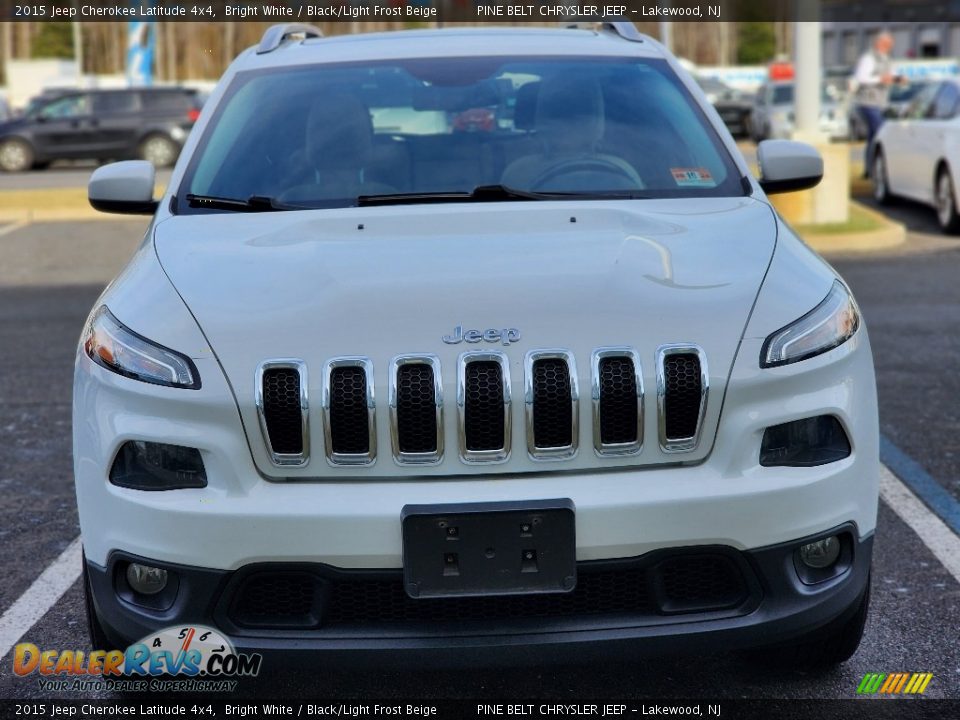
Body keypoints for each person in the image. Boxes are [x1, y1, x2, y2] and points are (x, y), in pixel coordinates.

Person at [853, 32, 897, 176]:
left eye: (890, 45)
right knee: (880, 132)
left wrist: (896, 80)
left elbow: (890, 77)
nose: (889, 47)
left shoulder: (888, 59)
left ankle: (869, 168)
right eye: (886, 44)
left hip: (880, 103)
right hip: (868, 102)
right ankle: (876, 168)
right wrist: (880, 79)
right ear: (879, 43)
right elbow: (861, 78)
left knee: (874, 136)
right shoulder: (869, 58)